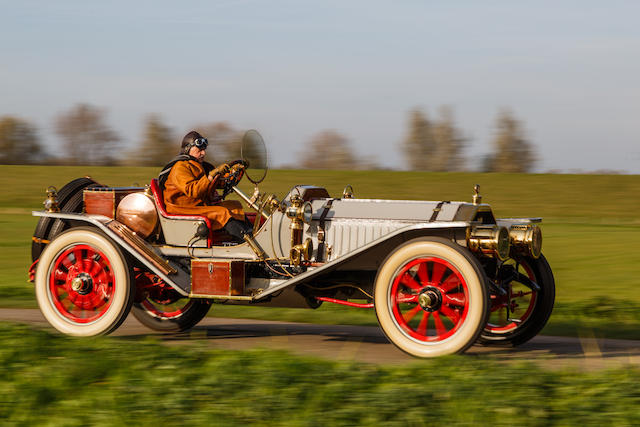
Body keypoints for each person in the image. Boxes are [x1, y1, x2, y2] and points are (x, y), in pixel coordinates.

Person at [159, 130, 253, 241]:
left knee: (234, 206)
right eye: (199, 150)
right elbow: (193, 190)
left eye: (204, 150)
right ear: (188, 149)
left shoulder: (200, 165)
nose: (203, 153)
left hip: (198, 206)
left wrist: (234, 172)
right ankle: (248, 243)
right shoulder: (180, 167)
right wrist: (210, 177)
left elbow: (219, 182)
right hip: (182, 209)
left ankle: (252, 235)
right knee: (221, 213)